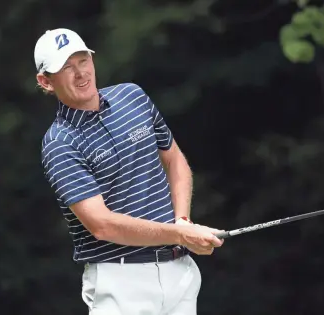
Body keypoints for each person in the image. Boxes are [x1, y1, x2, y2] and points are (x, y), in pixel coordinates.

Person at [35, 28, 224, 315]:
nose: (80, 74)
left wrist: (183, 221)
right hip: (122, 282)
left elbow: (175, 161)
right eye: (66, 68)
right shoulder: (59, 142)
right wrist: (179, 234)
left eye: (82, 60)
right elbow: (101, 225)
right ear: (46, 81)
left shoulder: (132, 97)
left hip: (179, 273)